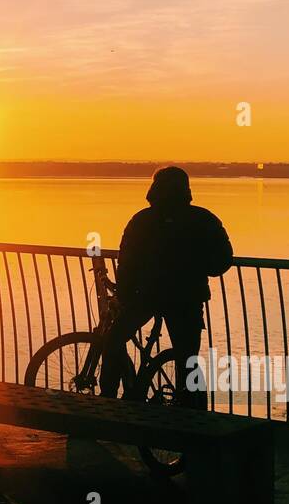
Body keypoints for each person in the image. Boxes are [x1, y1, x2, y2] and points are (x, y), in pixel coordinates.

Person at [96, 166, 233, 407]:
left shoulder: (142, 220)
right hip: (187, 298)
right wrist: (198, 267)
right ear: (186, 190)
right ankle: (192, 412)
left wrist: (125, 295)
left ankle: (107, 399)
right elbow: (223, 260)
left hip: (145, 297)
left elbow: (126, 263)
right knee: (187, 358)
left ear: (154, 190)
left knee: (114, 340)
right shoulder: (203, 219)